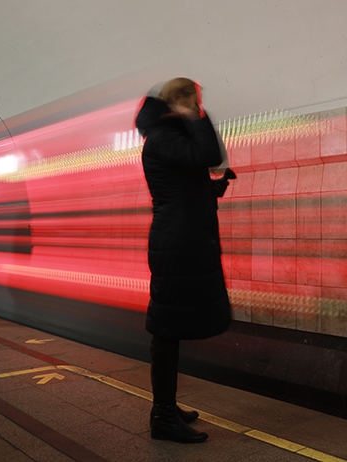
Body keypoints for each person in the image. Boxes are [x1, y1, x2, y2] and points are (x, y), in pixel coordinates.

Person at [135, 77, 234, 444]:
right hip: (177, 242)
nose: (199, 105)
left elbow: (188, 178)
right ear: (180, 99)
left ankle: (165, 407)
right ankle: (162, 415)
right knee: (167, 327)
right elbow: (207, 156)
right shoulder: (164, 137)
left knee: (170, 325)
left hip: (183, 238)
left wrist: (212, 188)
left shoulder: (168, 136)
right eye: (195, 99)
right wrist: (194, 117)